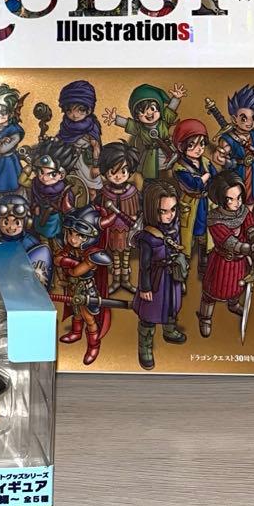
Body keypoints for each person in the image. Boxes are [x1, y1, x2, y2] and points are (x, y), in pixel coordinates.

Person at [198, 170, 254, 337]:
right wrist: (248, 249)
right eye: (231, 199)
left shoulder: (243, 211)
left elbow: (251, 225)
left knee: (236, 286)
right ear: (221, 199)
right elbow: (228, 241)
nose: (237, 202)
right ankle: (205, 317)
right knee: (212, 292)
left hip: (239, 264)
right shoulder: (214, 219)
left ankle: (233, 304)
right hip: (221, 263)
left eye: (239, 197)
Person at [133, 181, 189, 369]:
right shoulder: (148, 237)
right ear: (152, 210)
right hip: (155, 281)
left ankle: (169, 330)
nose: (169, 215)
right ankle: (145, 348)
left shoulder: (174, 226)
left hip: (171, 278)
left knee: (172, 306)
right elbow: (144, 266)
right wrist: (145, 287)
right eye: (163, 211)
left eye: (172, 209)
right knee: (149, 315)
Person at [53, 207, 112, 366]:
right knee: (76, 311)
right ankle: (76, 332)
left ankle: (94, 346)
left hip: (87, 289)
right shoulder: (71, 247)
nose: (73, 239)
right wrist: (63, 260)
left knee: (88, 317)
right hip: (73, 287)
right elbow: (57, 260)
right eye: (71, 233)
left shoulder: (94, 254)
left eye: (80, 235)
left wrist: (67, 263)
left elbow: (76, 271)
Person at [171, 118, 214, 281]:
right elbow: (194, 185)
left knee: (205, 241)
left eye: (201, 144)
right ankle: (181, 277)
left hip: (205, 204)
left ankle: (205, 272)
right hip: (189, 205)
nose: (198, 149)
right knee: (186, 244)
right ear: (182, 146)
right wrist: (206, 177)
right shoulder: (179, 167)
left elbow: (216, 179)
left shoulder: (206, 162)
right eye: (192, 145)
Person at [97, 141, 141, 294]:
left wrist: (136, 216)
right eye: (113, 171)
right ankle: (116, 281)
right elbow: (98, 210)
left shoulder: (133, 191)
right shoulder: (104, 192)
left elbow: (140, 209)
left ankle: (126, 280)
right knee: (115, 255)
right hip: (112, 232)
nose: (118, 176)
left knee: (126, 255)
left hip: (128, 231)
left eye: (123, 171)